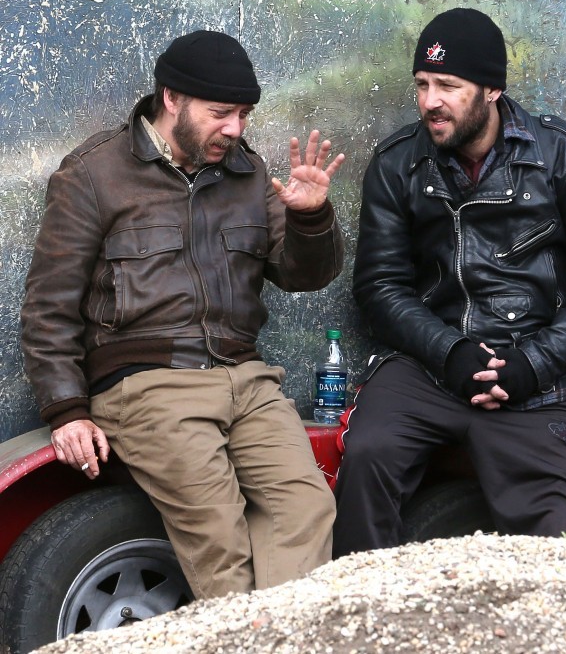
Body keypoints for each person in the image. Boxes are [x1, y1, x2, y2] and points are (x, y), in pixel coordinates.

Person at [21, 30, 345, 598]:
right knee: (218, 536)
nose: (236, 129)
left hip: (245, 377)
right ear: (172, 99)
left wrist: (311, 217)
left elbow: (303, 275)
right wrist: (66, 410)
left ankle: (275, 638)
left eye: (244, 114)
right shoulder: (94, 175)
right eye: (221, 113)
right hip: (147, 384)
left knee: (307, 506)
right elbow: (48, 306)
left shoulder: (249, 174)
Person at [332, 8, 566, 556]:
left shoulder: (565, 155)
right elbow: (379, 286)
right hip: (430, 360)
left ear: (492, 89)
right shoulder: (398, 163)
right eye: (422, 84)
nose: (429, 102)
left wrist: (532, 365)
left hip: (540, 364)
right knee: (367, 458)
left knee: (558, 536)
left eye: (449, 85)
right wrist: (450, 352)